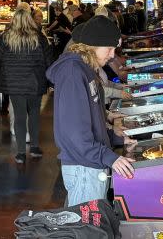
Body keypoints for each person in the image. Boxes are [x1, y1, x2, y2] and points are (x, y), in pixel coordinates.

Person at [46, 16, 136, 205]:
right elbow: (75, 132)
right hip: (84, 167)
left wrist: (117, 138)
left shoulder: (85, 69)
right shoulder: (72, 73)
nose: (112, 55)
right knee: (86, 229)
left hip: (89, 164)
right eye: (109, 48)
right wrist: (109, 157)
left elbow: (92, 121)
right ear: (92, 46)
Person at [0, 8, 54, 164]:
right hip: (35, 82)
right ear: (30, 20)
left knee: (20, 116)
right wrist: (51, 81)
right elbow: (49, 60)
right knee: (34, 113)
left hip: (14, 83)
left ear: (14, 20)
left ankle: (21, 152)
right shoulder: (39, 37)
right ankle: (34, 147)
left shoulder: (5, 38)